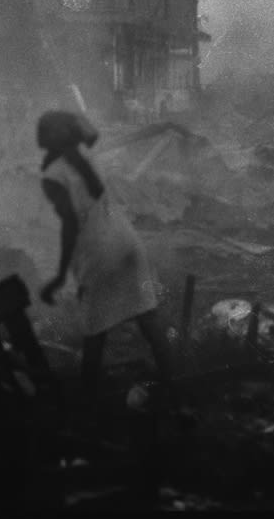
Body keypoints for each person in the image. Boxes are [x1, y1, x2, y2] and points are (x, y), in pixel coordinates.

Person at [36, 110, 176, 409]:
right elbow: (92, 132)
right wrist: (72, 121)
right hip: (127, 241)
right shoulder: (86, 154)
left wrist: (61, 276)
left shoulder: (52, 176)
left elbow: (70, 228)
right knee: (147, 315)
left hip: (98, 252)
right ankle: (176, 386)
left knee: (94, 332)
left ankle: (87, 405)